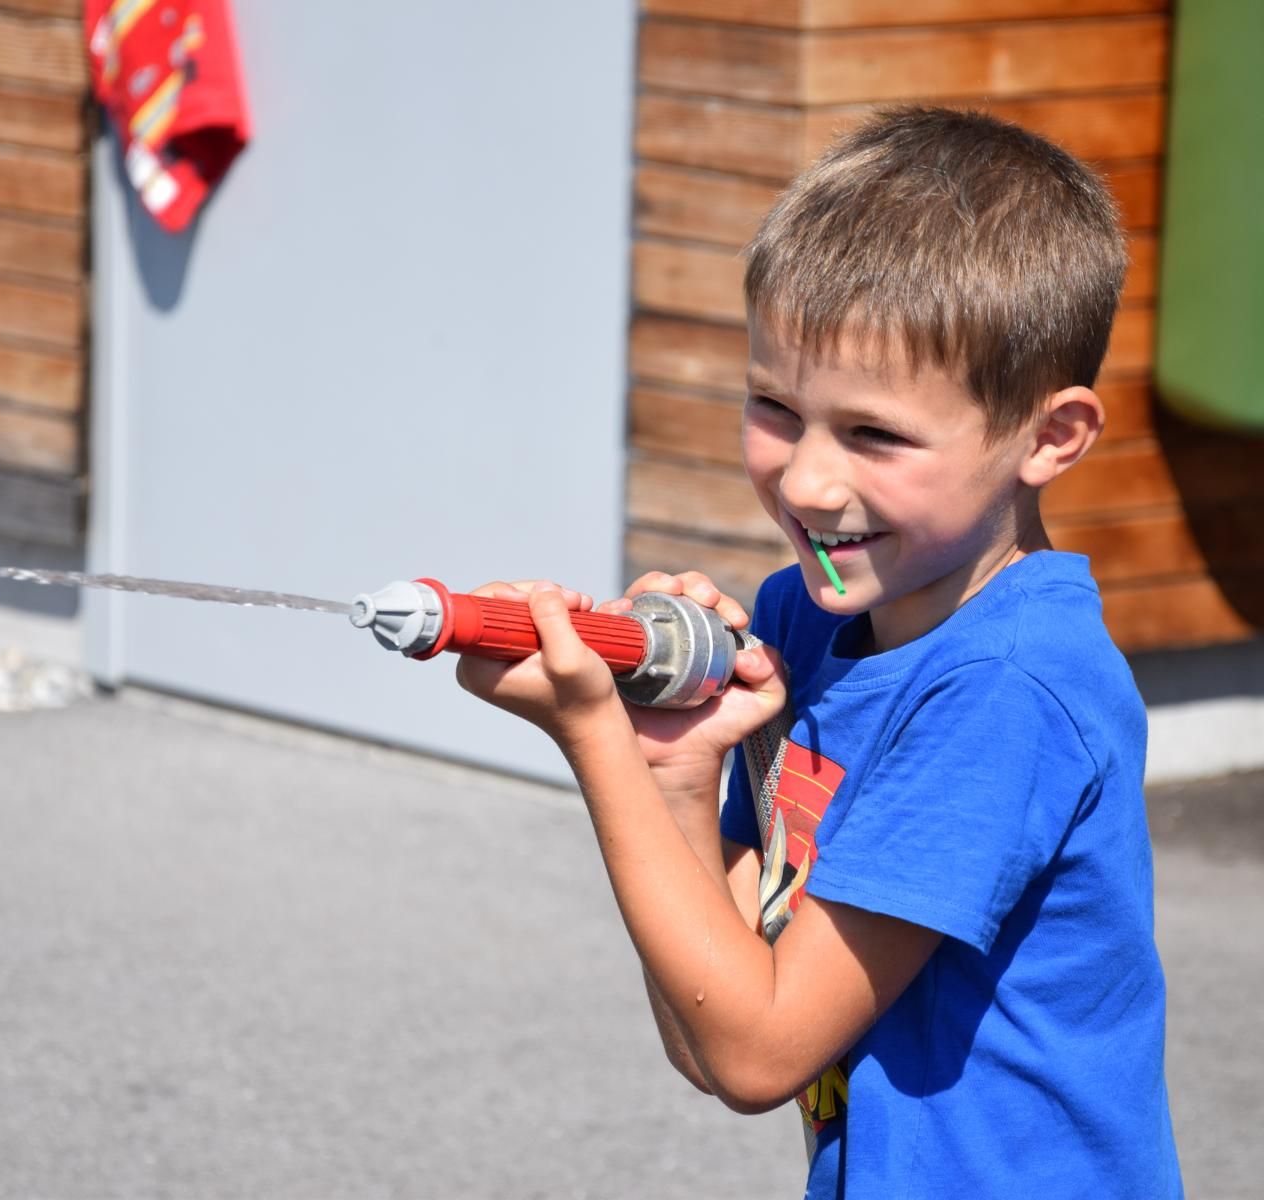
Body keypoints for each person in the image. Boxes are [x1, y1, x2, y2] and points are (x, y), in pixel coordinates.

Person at [457, 106, 1183, 1198]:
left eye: (873, 433)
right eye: (774, 406)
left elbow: (760, 1054)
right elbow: (711, 1028)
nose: (805, 480)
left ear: (1049, 437)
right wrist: (677, 770)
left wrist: (596, 740)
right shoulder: (802, 620)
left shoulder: (1004, 691)